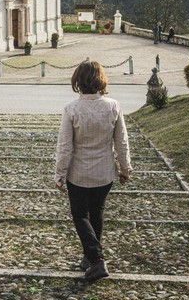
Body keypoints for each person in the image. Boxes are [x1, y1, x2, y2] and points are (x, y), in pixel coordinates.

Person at [55, 60, 133, 282]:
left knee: (80, 215)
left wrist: (59, 174)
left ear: (78, 81)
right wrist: (125, 169)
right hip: (104, 172)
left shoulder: (71, 109)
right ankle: (89, 257)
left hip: (78, 173)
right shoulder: (113, 106)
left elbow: (65, 146)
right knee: (96, 213)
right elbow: (122, 142)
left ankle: (96, 259)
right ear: (101, 80)